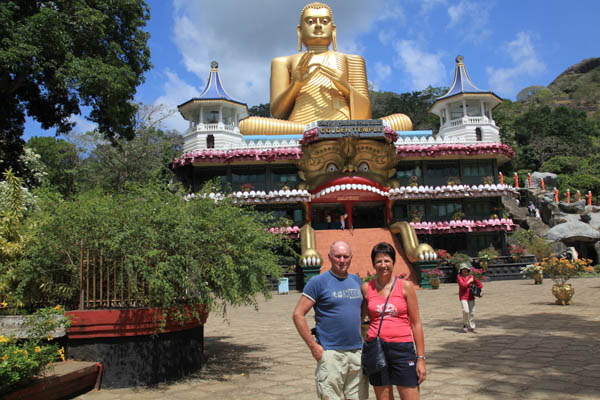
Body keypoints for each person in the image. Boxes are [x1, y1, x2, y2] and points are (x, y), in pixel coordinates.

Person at [239, 2, 411, 135]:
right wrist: (296, 84)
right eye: (311, 21)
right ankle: (319, 131)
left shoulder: (352, 60)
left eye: (324, 21)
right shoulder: (283, 62)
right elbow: (277, 113)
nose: (318, 26)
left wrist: (344, 85)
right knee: (248, 125)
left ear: (333, 30)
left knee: (403, 121)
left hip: (348, 125)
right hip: (300, 127)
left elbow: (364, 116)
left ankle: (325, 131)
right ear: (300, 31)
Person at [292, 241, 368, 400]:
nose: (342, 260)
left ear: (351, 258)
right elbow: (298, 314)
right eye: (337, 256)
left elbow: (362, 309)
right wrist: (313, 346)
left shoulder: (356, 281)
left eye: (346, 256)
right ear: (329, 257)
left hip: (357, 353)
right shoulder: (318, 282)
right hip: (331, 353)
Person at [361, 242, 426, 400]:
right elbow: (360, 319)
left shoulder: (406, 287)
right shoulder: (366, 288)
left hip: (402, 348)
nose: (383, 265)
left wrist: (421, 358)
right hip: (377, 350)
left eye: (387, 260)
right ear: (373, 264)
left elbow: (416, 323)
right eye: (378, 261)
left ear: (394, 262)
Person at [457, 263, 484, 333]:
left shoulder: (471, 276)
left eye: (466, 269)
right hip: (463, 296)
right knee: (466, 311)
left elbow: (479, 284)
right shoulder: (459, 277)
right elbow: (463, 285)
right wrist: (469, 281)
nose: (465, 271)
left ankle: (472, 326)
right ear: (461, 270)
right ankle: (465, 325)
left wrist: (481, 291)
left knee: (472, 312)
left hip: (471, 296)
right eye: (463, 269)